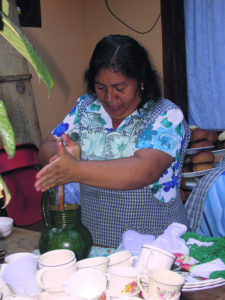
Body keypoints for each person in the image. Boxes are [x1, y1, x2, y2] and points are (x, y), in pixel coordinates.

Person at [35, 34, 190, 248]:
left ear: (141, 81)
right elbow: (47, 146)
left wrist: (75, 169)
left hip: (156, 246)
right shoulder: (86, 108)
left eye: (120, 88)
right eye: (100, 87)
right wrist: (61, 155)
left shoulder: (165, 115)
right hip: (96, 244)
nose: (109, 97)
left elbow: (145, 169)